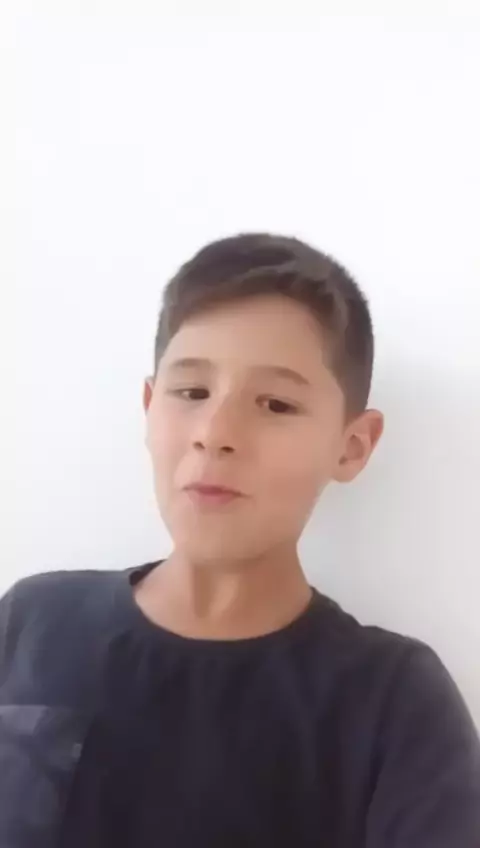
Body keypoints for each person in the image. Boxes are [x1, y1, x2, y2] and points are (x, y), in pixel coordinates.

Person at [1, 233, 479, 847]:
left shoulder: (392, 702)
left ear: (352, 445)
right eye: (191, 392)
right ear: (149, 407)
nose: (215, 431)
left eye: (275, 404)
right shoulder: (32, 623)